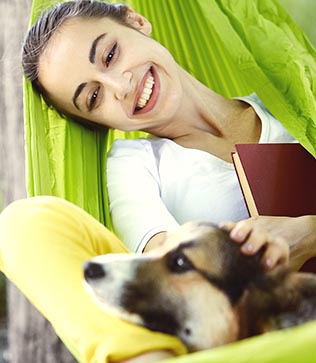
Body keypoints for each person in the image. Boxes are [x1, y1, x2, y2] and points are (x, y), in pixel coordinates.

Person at [0, 0, 315, 362]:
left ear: (137, 21)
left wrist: (306, 234)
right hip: (253, 346)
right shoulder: (134, 166)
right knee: (23, 222)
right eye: (94, 97)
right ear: (98, 123)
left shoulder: (293, 101)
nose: (119, 85)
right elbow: (161, 261)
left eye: (110, 54)